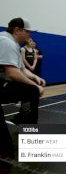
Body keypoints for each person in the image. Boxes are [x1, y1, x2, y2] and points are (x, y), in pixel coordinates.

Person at [0, 18, 45, 158]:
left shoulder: (13, 44)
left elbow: (21, 69)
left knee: (32, 91)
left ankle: (25, 123)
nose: (29, 35)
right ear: (17, 30)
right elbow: (12, 73)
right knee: (6, 148)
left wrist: (35, 78)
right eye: (27, 32)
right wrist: (34, 85)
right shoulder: (5, 41)